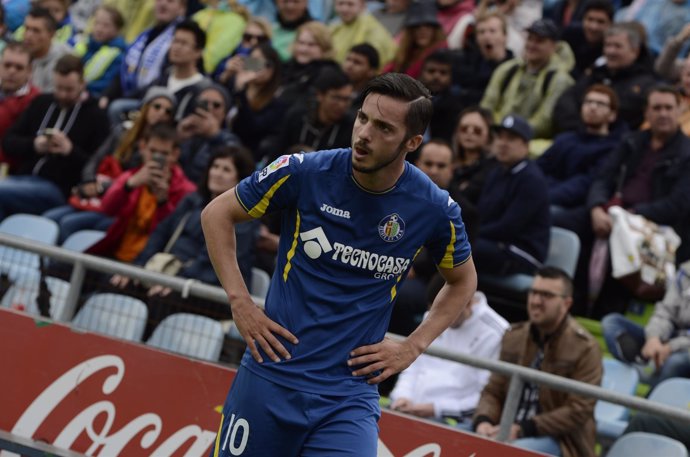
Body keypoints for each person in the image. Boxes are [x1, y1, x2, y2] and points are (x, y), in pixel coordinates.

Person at [202, 73, 477, 456]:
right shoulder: (303, 172)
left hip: (348, 397)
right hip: (271, 376)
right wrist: (240, 301)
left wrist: (413, 347)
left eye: (383, 127)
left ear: (412, 142)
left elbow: (463, 282)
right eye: (362, 118)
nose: (364, 133)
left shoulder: (433, 208)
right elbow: (217, 214)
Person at [111, 146, 257, 337]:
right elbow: (160, 234)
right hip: (171, 274)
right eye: (215, 166)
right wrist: (138, 267)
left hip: (211, 287)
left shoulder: (244, 220)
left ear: (240, 179)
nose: (218, 174)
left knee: (161, 300)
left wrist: (178, 281)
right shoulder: (192, 202)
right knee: (120, 283)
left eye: (226, 170)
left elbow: (214, 262)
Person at [473, 267, 603, 457]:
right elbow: (493, 390)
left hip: (558, 440)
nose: (535, 301)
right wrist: (483, 420)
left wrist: (523, 429)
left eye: (546, 295)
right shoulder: (514, 336)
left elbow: (579, 409)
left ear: (566, 304)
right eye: (533, 293)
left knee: (510, 453)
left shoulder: (586, 348)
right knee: (452, 435)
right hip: (503, 427)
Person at [586, 85, 690, 316]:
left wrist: (630, 217)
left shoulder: (687, 153)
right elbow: (602, 178)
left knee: (624, 247)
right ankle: (576, 308)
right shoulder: (631, 142)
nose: (663, 113)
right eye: (656, 108)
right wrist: (595, 207)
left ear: (679, 111)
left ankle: (609, 315)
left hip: (655, 227)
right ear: (646, 113)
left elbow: (678, 205)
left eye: (668, 108)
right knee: (571, 225)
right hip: (612, 215)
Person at [44, 86, 177, 243]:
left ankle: (59, 267)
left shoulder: (161, 147)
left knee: (68, 224)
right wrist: (89, 181)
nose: (161, 113)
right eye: (157, 106)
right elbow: (95, 159)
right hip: (95, 193)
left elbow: (137, 181)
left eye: (168, 111)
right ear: (145, 106)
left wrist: (100, 188)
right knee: (49, 218)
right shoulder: (122, 132)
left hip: (119, 204)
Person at [0, 54, 110, 220]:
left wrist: (70, 150)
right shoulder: (41, 103)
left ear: (82, 84)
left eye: (69, 89)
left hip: (58, 188)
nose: (63, 94)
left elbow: (98, 167)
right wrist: (35, 144)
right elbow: (8, 141)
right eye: (58, 88)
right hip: (23, 177)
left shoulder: (97, 117)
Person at [390, 291, 508, 425]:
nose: (437, 318)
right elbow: (412, 367)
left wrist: (437, 409)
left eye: (444, 313)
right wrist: (402, 396)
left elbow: (487, 396)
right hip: (407, 410)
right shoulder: (431, 317)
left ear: (467, 303)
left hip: (453, 421)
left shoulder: (498, 332)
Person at [87, 122, 196, 262]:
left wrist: (163, 202)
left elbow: (171, 236)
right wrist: (128, 186)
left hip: (148, 261)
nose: (156, 158)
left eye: (164, 154)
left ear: (175, 155)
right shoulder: (131, 177)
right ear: (143, 148)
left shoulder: (187, 191)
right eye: (153, 151)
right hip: (116, 252)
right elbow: (107, 209)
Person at [537, 84, 623, 231]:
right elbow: (538, 168)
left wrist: (541, 197)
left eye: (600, 104)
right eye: (588, 102)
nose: (592, 107)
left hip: (573, 208)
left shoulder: (614, 148)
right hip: (543, 196)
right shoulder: (565, 139)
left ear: (612, 115)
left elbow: (585, 185)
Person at [474, 114, 551, 276]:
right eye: (500, 137)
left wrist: (470, 233)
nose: (502, 143)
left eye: (510, 139)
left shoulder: (531, 179)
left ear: (526, 145)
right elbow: (482, 214)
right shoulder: (497, 172)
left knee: (460, 247)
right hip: (496, 244)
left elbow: (508, 228)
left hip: (522, 252)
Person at [601, 260, 690, 389]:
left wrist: (671, 347)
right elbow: (665, 312)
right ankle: (642, 366)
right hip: (667, 338)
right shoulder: (685, 272)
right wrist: (653, 338)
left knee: (675, 362)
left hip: (684, 349)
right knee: (612, 323)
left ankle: (648, 401)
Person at [554, 22, 658, 132]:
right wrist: (582, 127)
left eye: (617, 46)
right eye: (608, 45)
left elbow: (629, 115)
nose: (610, 51)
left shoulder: (647, 84)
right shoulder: (595, 74)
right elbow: (567, 102)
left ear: (635, 51)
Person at [480, 18, 574, 139]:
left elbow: (544, 121)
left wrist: (511, 133)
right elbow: (487, 105)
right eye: (530, 39)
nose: (532, 45)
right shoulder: (507, 69)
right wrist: (496, 130)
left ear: (554, 46)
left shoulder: (561, 80)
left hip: (532, 142)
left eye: (539, 41)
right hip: (496, 135)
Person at [100, 0, 186, 122]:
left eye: (170, 1)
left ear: (182, 8)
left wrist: (125, 96)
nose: (163, 4)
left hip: (153, 98)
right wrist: (107, 94)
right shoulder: (147, 34)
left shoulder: (179, 39)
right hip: (131, 94)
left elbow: (163, 79)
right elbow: (125, 69)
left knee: (116, 107)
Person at [272, 66, 354, 157]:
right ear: (319, 95)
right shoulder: (297, 119)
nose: (341, 105)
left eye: (346, 99)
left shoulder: (350, 128)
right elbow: (276, 155)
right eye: (336, 98)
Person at [225, 42, 287, 162]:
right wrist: (226, 75)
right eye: (251, 61)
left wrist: (241, 93)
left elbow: (252, 129)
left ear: (272, 69)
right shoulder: (233, 85)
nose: (252, 66)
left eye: (258, 63)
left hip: (248, 158)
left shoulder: (277, 104)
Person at [176, 82, 240, 183]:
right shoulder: (187, 131)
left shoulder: (229, 139)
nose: (210, 108)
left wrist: (215, 135)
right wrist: (178, 139)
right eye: (204, 103)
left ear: (224, 113)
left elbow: (234, 156)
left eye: (216, 105)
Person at [452, 11, 513, 108]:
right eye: (481, 32)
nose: (486, 36)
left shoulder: (514, 69)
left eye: (492, 31)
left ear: (505, 36)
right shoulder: (466, 62)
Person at [0, 41, 39, 172]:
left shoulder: (36, 101)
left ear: (29, 71)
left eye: (19, 67)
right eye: (7, 65)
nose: (12, 71)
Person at [72, 5, 126, 98]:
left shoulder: (118, 55)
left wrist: (80, 86)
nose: (99, 29)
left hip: (91, 96)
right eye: (96, 23)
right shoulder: (84, 43)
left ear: (117, 30)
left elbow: (107, 83)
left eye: (106, 25)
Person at [383, 0, 446, 79]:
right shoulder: (405, 52)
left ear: (435, 30)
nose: (423, 31)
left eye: (428, 26)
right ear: (410, 31)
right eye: (417, 27)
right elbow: (385, 74)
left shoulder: (441, 52)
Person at [329, 0, 395, 66]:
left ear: (362, 6)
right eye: (340, 4)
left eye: (350, 4)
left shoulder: (372, 29)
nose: (344, 9)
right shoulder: (334, 26)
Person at [21, 5, 71, 92]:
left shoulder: (64, 62)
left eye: (36, 31)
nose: (28, 35)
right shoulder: (18, 54)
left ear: (51, 34)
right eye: (27, 28)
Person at [560, 0, 613, 79]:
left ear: (610, 24)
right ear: (583, 19)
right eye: (590, 19)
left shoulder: (612, 47)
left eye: (600, 22)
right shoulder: (570, 34)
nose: (594, 27)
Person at [418, 49, 462, 142]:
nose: (436, 76)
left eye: (443, 72)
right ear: (421, 73)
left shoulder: (455, 107)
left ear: (451, 76)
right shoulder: (409, 100)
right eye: (431, 71)